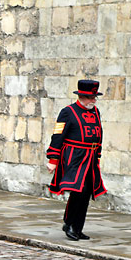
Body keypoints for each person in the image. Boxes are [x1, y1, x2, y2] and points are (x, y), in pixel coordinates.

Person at [46, 79, 107, 241]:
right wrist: (53, 159)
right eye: (90, 97)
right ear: (81, 96)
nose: (93, 100)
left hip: (91, 159)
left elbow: (98, 134)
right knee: (78, 191)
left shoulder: (96, 112)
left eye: (95, 97)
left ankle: (76, 227)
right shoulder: (67, 112)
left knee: (86, 193)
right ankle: (71, 225)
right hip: (74, 158)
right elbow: (58, 135)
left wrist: (98, 156)